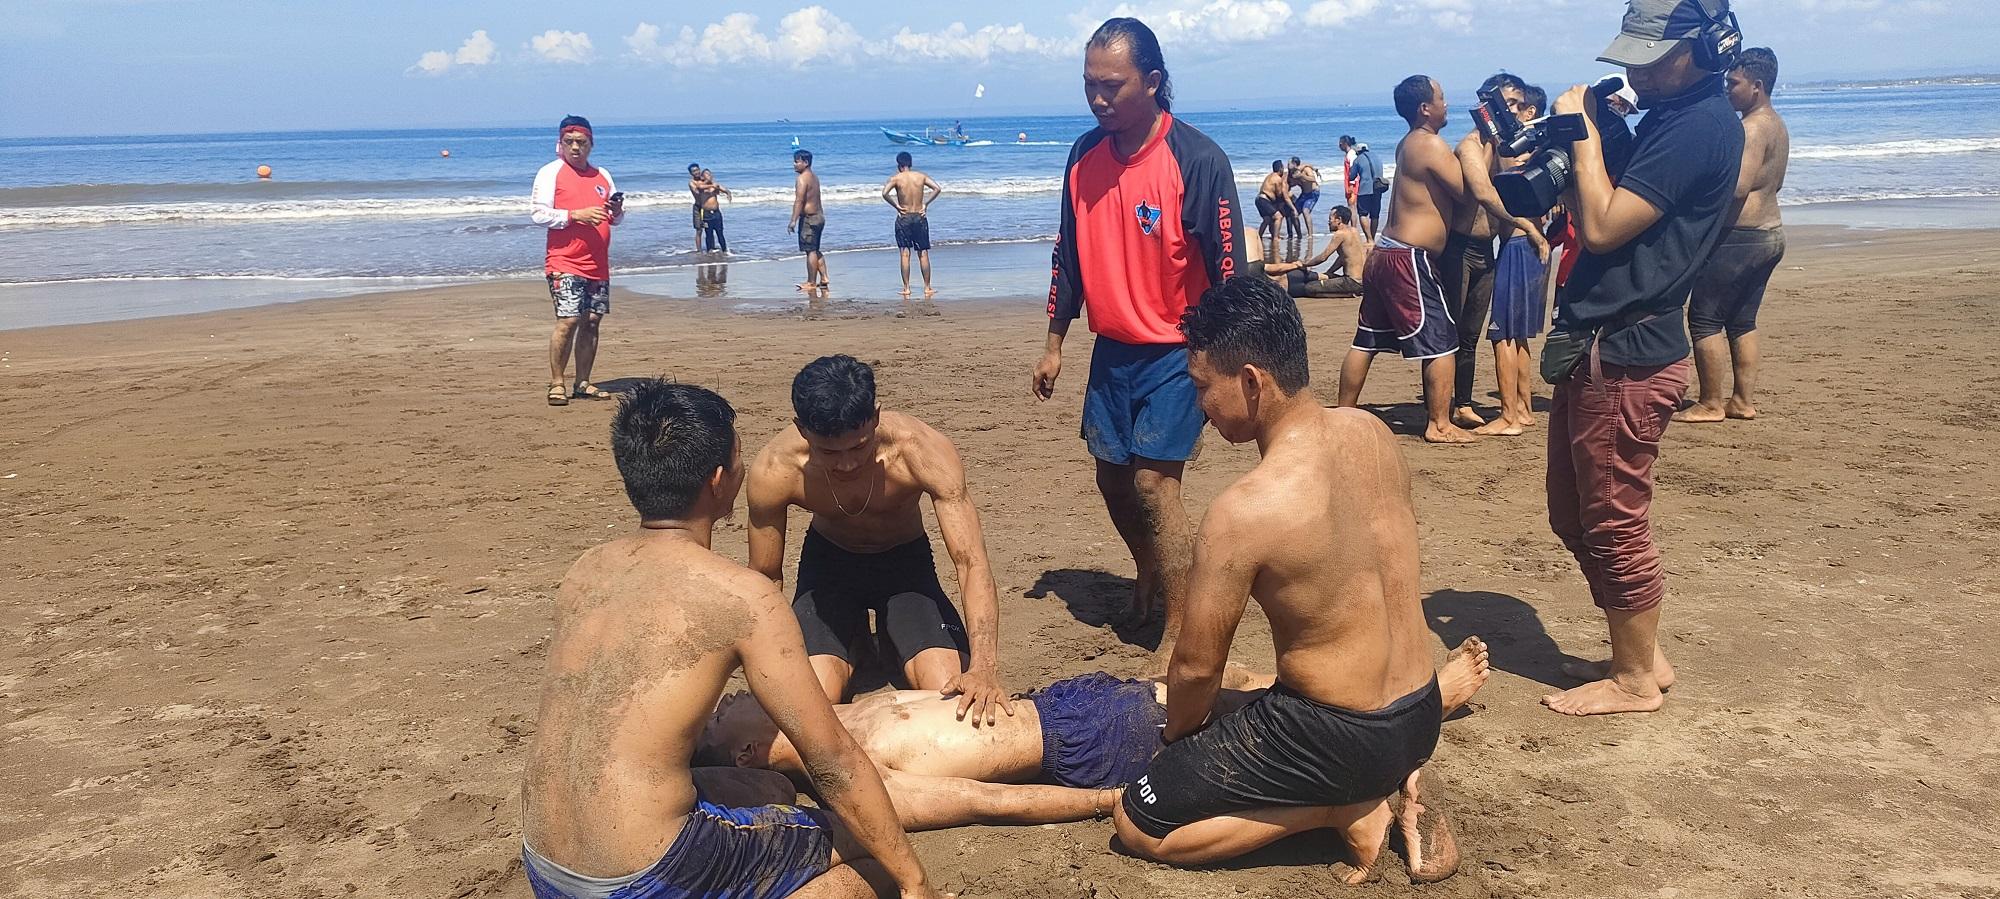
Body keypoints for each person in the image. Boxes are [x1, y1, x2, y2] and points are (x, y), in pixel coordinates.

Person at [518, 380, 946, 899]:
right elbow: (833, 760)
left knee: (771, 791)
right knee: (874, 864)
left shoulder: (585, 570)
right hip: (652, 875)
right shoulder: (742, 596)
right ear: (720, 481)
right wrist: (914, 881)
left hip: (546, 865)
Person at [1111, 275, 1461, 884]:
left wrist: (1176, 743)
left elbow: (1196, 667)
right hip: (1421, 709)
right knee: (1260, 699)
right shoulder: (1372, 434)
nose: (1199, 407)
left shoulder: (1246, 509)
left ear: (1252, 381)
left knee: (1137, 818)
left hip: (1344, 737)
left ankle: (1340, 807)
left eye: (1202, 388)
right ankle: (1374, 780)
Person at [700, 644, 1492, 831]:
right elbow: (981, 801)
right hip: (1082, 748)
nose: (730, 696)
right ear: (741, 751)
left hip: (1066, 700)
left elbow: (809, 660)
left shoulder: (834, 710)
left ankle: (1410, 703)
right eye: (720, 714)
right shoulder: (850, 774)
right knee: (1259, 717)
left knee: (1242, 686)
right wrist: (1104, 797)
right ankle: (1433, 703)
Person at [1541, 0, 1745, 716]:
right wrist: (1590, 141)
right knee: (1572, 514)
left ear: (1703, 49)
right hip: (1599, 346)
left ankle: (1632, 680)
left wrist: (1587, 137)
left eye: (1653, 57)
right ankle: (1643, 652)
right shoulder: (1666, 115)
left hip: (1628, 355)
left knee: (1617, 522)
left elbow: (1599, 226)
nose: (1636, 68)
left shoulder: (1699, 125)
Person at [1032, 17, 1246, 659]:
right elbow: (1066, 254)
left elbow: (1231, 268)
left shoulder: (1198, 160)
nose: (1098, 99)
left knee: (1156, 483)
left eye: (1112, 86)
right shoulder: (1081, 156)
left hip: (1182, 352)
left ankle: (1179, 629)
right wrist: (1053, 342)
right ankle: (1153, 564)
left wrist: (1230, 360)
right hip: (1113, 349)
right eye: (1090, 86)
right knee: (1112, 478)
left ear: (1152, 82)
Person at [748, 355, 1012, 721]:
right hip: (828, 573)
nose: (846, 465)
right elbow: (764, 576)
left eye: (858, 446)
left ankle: (889, 638)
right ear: (802, 429)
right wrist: (763, 660)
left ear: (874, 417)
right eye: (829, 452)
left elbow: (970, 562)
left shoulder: (920, 450)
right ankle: (854, 640)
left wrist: (984, 666)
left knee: (947, 691)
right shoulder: (776, 469)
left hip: (905, 569)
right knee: (813, 699)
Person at [1336, 76, 1476, 444]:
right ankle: (1440, 424)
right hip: (1409, 258)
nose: (1448, 104)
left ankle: (1344, 412)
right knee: (1443, 340)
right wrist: (1482, 146)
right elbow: (1466, 191)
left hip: (1386, 252)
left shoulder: (1407, 143)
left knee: (1366, 340)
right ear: (1425, 108)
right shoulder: (1429, 144)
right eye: (1442, 98)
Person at [1676, 46, 1788, 424]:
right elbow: (1777, 182)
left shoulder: (1752, 127)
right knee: (1742, 321)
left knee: (1704, 320)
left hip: (1741, 237)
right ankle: (1741, 400)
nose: (1727, 89)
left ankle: (1710, 402)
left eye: (1733, 83)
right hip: (1770, 233)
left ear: (1756, 86)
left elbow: (1737, 187)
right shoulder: (1776, 123)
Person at [1458, 79, 1555, 436]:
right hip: (1528, 242)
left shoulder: (1510, 144)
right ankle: (1524, 409)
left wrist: (1527, 229)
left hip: (1518, 242)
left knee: (1502, 336)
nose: (1509, 110)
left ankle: (1510, 416)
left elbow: (1486, 193)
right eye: (1505, 104)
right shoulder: (1526, 142)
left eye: (1515, 103)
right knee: (1519, 336)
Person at [531, 115, 623, 407]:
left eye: (581, 143)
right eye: (569, 142)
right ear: (559, 144)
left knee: (592, 321)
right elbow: (538, 213)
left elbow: (616, 219)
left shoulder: (602, 175)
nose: (575, 148)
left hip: (598, 263)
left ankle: (582, 382)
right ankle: (557, 383)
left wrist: (617, 209)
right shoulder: (550, 173)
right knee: (568, 319)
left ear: (591, 144)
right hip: (564, 261)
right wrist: (575, 215)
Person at [1257, 205, 1368, 299]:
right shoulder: (1354, 231)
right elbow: (1343, 259)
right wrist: (1329, 272)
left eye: (1330, 219)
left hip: (1351, 282)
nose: (1328, 222)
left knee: (1309, 288)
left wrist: (1304, 264)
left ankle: (1346, 294)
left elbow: (1323, 257)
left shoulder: (1340, 234)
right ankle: (1349, 290)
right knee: (1327, 277)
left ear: (1338, 220)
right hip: (1362, 280)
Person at [881, 151, 943, 299]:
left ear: (898, 165)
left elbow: (884, 193)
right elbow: (937, 188)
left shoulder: (896, 178)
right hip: (919, 216)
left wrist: (896, 206)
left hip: (904, 217)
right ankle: (927, 288)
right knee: (923, 253)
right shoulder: (920, 176)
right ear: (911, 163)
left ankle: (907, 288)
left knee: (905, 253)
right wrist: (925, 204)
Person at [789, 149, 828, 293]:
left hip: (810, 218)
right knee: (815, 249)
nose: (794, 164)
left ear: (805, 163)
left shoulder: (802, 179)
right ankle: (824, 277)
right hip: (819, 217)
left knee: (810, 251)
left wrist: (793, 220)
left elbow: (799, 200)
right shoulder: (814, 177)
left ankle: (811, 282)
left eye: (796, 161)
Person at [1344, 135, 1385, 241]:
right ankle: (1373, 237)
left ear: (1358, 151)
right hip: (1378, 188)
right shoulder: (1377, 157)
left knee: (1363, 214)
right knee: (1375, 215)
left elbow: (1352, 176)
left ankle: (1369, 239)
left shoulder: (1358, 160)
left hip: (1364, 190)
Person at [1255, 160, 1297, 258]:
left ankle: (1258, 236)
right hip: (1264, 200)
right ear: (1280, 169)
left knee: (1267, 219)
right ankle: (1275, 238)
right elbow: (1279, 194)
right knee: (1279, 217)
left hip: (1259, 199)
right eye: (1283, 167)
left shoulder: (1270, 176)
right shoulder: (1277, 178)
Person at [698, 168, 733, 254]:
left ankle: (725, 250)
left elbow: (725, 190)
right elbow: (699, 187)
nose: (709, 176)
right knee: (708, 234)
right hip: (706, 214)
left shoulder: (715, 185)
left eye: (710, 174)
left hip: (716, 213)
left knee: (720, 232)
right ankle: (710, 250)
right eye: (707, 174)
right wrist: (710, 185)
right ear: (702, 177)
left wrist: (728, 193)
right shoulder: (701, 186)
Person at [1288, 156, 1322, 244]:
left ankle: (1310, 235)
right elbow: (1291, 183)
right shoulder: (1292, 173)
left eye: (1289, 164)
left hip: (1313, 193)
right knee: (1293, 213)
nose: (1287, 165)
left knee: (1305, 211)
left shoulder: (1305, 169)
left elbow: (1313, 179)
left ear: (1294, 164)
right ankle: (1295, 234)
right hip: (1304, 194)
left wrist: (1302, 176)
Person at [686, 162, 708, 249]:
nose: (696, 172)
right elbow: (697, 192)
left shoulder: (705, 179)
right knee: (699, 230)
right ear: (691, 173)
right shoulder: (692, 183)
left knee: (709, 229)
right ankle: (699, 250)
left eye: (697, 170)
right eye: (694, 171)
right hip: (698, 207)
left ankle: (711, 248)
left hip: (707, 206)